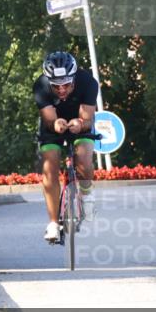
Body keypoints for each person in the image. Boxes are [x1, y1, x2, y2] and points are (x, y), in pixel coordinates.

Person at [33, 51, 99, 242]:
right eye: (56, 86)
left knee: (84, 161)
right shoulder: (41, 85)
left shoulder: (88, 82)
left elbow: (87, 119)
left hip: (81, 122)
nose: (61, 90)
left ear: (74, 79)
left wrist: (80, 124)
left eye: (66, 85)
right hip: (53, 124)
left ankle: (87, 195)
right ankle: (53, 223)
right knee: (49, 167)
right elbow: (49, 118)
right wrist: (56, 124)